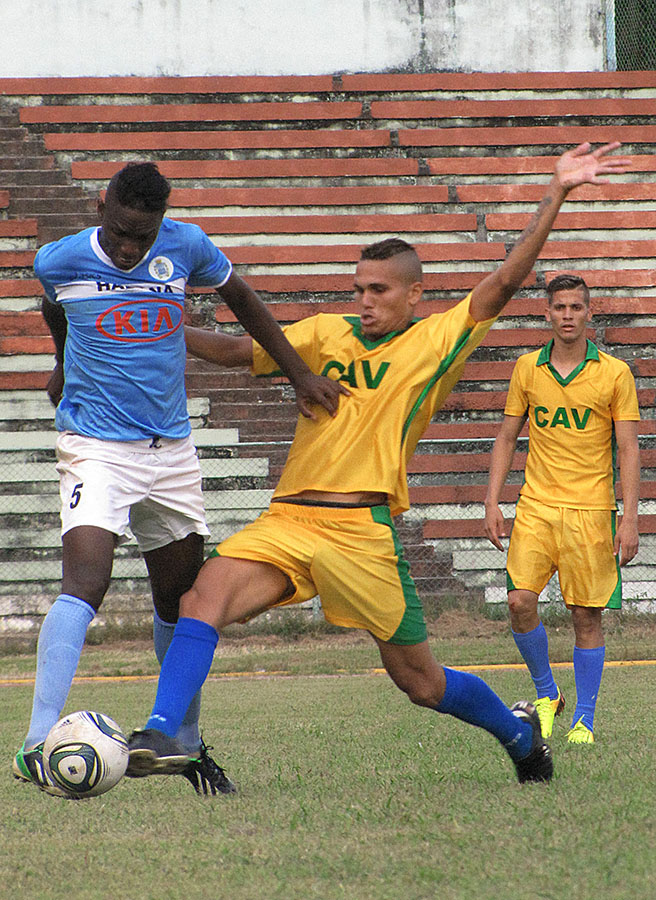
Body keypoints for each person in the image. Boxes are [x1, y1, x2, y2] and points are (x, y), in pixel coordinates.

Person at [124, 142, 631, 788]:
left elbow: (504, 282)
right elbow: (232, 351)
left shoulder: (432, 342)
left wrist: (554, 193)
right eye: (357, 287)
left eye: (379, 289)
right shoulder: (323, 333)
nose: (364, 300)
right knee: (202, 596)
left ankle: (518, 731)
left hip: (364, 535)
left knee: (421, 682)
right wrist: (148, 323)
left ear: (414, 294)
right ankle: (168, 731)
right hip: (289, 521)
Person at [13, 162, 346, 799]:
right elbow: (52, 307)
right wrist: (61, 365)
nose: (131, 248)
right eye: (120, 233)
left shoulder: (187, 246)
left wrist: (298, 372)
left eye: (143, 235)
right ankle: (35, 741)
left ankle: (185, 743)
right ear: (102, 206)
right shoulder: (58, 260)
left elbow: (243, 301)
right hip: (95, 446)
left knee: (182, 600)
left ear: (161, 222)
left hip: (171, 451)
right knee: (87, 580)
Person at [484, 273, 640, 745]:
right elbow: (508, 436)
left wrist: (630, 518)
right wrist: (492, 499)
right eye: (560, 307)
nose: (568, 315)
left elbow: (629, 448)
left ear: (589, 313)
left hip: (592, 511)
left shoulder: (615, 373)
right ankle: (548, 694)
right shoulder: (527, 368)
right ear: (547, 314)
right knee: (518, 602)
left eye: (576, 307)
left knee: (585, 616)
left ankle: (585, 721)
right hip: (536, 507)